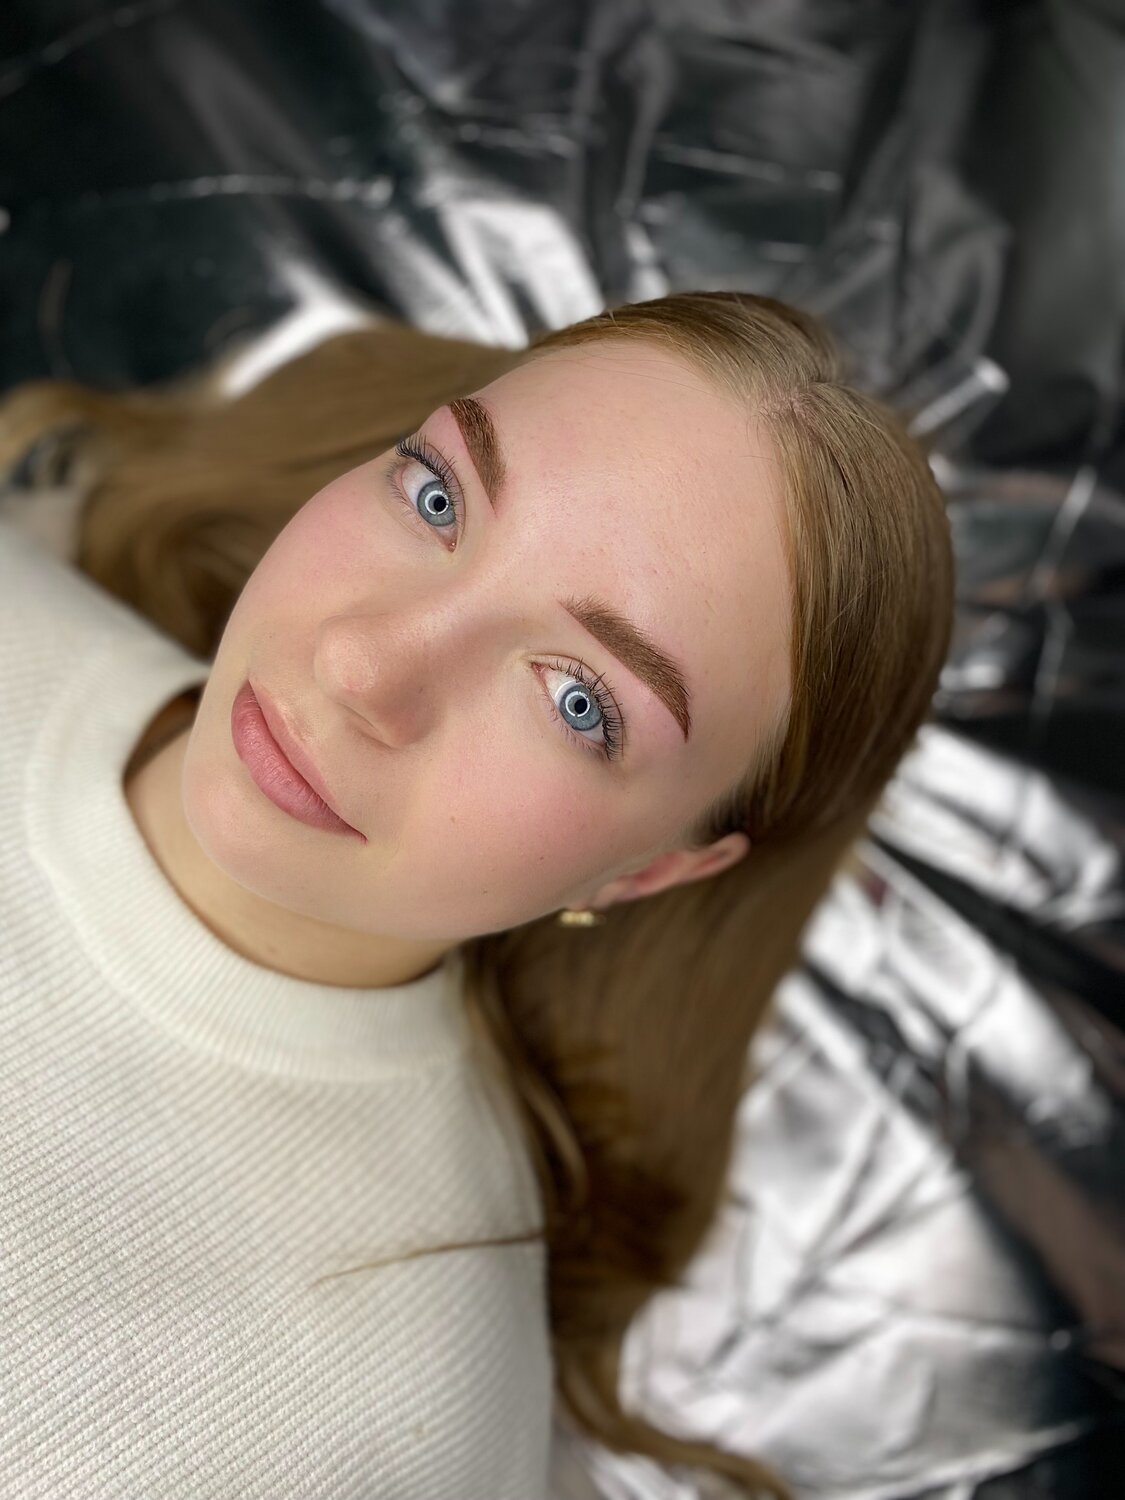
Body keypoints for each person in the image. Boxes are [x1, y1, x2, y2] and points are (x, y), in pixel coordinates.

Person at [0, 291, 954, 1499]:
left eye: (578, 701)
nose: (364, 665)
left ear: (651, 871)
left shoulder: (389, 1423)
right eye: (439, 497)